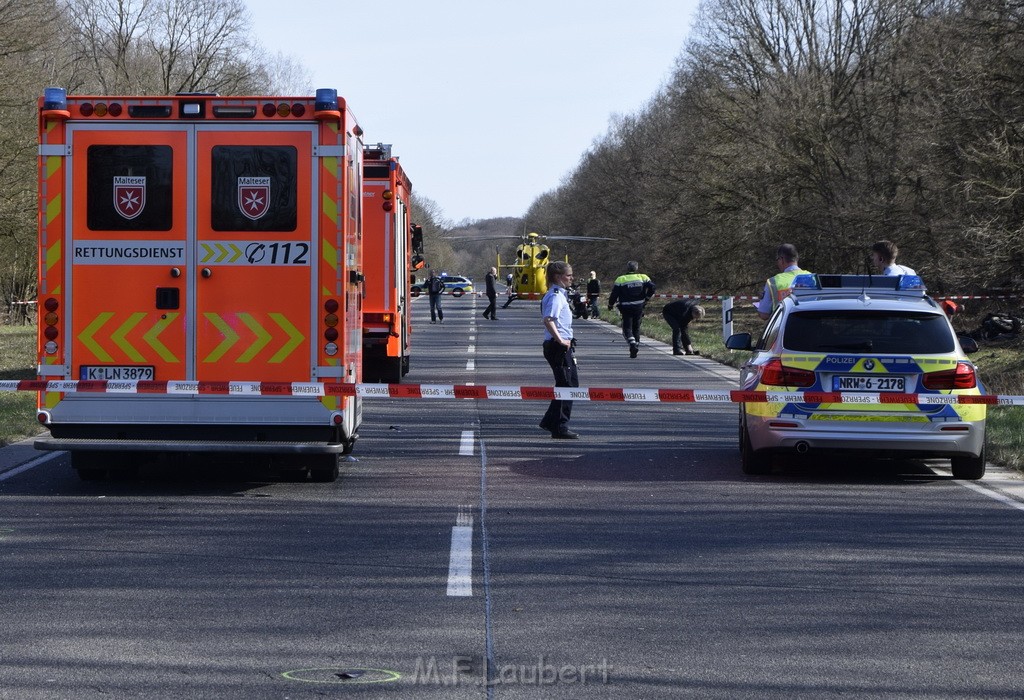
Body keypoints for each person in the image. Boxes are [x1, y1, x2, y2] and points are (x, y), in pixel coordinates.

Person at [539, 261, 579, 440]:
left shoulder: (561, 295)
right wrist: (560, 340)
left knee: (569, 384)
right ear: (557, 277)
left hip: (561, 345)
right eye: (568, 275)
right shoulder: (556, 296)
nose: (572, 278)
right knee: (568, 386)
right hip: (558, 347)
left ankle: (549, 421)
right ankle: (560, 426)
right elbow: (548, 319)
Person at [608, 260, 655, 358]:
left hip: (626, 307)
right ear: (636, 268)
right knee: (636, 327)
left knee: (627, 328)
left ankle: (632, 344)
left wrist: (610, 304)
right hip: (639, 306)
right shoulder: (643, 277)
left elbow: (614, 294)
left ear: (627, 268)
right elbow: (653, 287)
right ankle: (636, 345)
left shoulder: (621, 279)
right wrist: (647, 298)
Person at [755, 243, 811, 320]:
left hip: (784, 328)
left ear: (782, 260)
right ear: (796, 259)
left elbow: (764, 315)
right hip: (811, 326)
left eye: (777, 260)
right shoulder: (812, 277)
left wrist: (761, 301)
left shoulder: (773, 282)